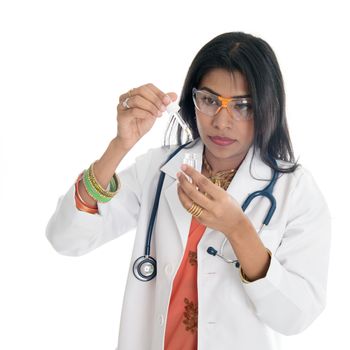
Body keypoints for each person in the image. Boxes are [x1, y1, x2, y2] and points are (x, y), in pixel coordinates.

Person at [46, 32, 331, 350]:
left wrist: (238, 229)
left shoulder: (295, 190)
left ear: (268, 108)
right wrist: (120, 145)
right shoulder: (159, 169)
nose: (222, 122)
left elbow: (296, 316)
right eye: (210, 100)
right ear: (191, 99)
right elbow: (66, 239)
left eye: (243, 106)